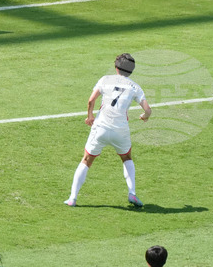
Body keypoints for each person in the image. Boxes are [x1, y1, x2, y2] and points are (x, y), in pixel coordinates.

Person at [65, 53, 152, 207]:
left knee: (86, 160)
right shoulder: (135, 87)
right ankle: (132, 193)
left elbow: (91, 100)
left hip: (101, 128)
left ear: (115, 67)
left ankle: (73, 198)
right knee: (127, 158)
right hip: (120, 131)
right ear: (131, 70)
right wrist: (145, 116)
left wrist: (90, 116)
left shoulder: (105, 79)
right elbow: (147, 109)